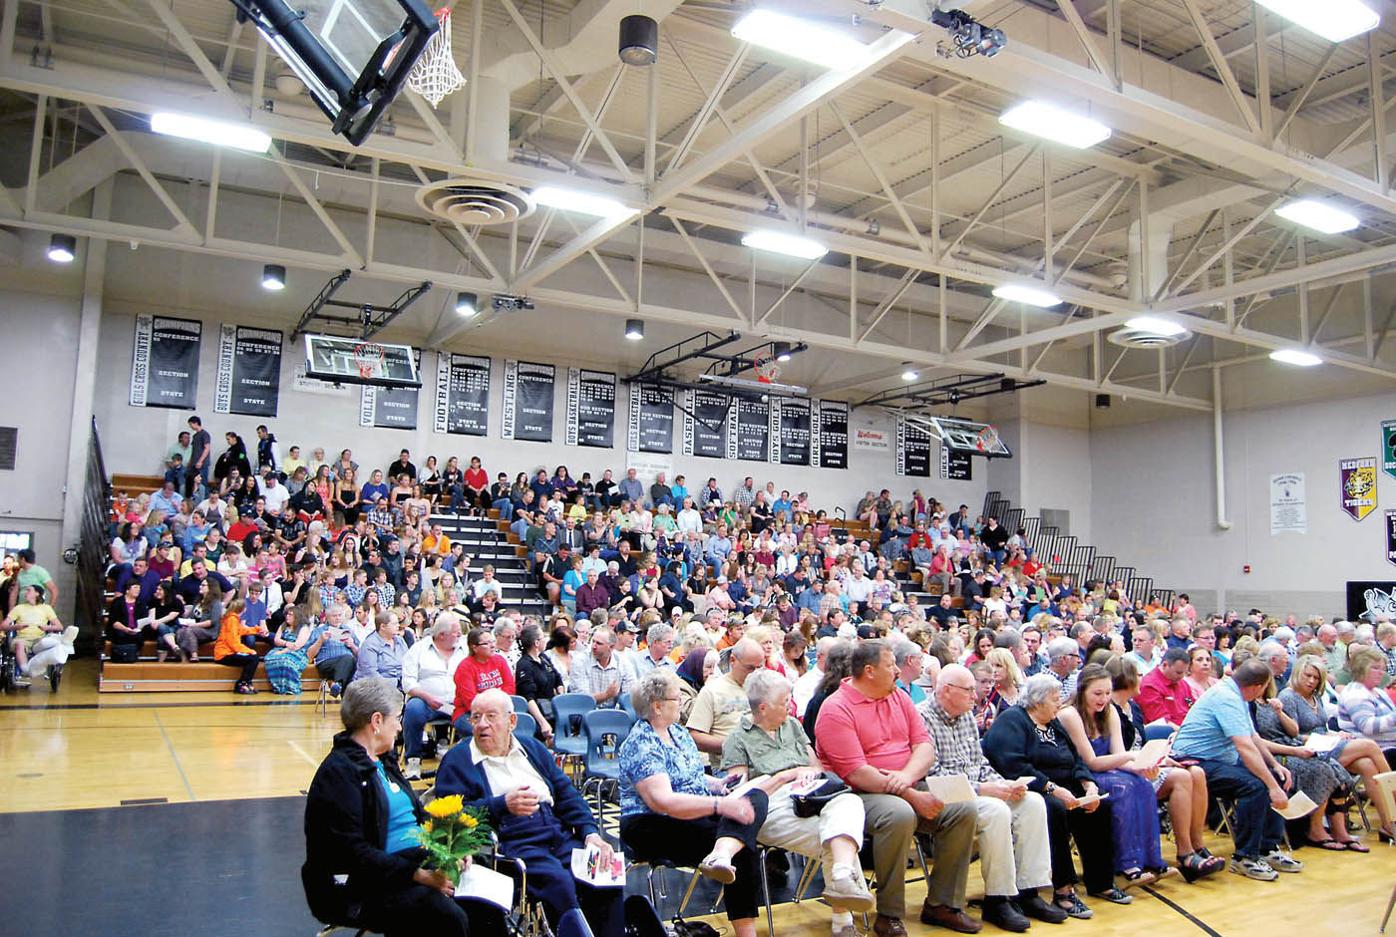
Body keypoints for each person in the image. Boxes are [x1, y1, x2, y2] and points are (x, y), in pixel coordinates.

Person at [814, 640, 980, 936]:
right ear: (870, 671)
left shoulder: (899, 697)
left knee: (963, 807)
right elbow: (857, 773)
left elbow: (924, 747)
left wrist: (904, 780)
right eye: (891, 665)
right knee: (900, 814)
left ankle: (943, 904)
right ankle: (888, 914)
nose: (897, 670)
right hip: (855, 796)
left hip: (905, 781)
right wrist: (910, 792)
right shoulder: (835, 709)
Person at [435, 689, 623, 936]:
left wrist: (590, 834)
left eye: (491, 716)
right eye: (476, 717)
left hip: (556, 831)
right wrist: (501, 804)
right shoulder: (458, 760)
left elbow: (567, 795)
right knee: (560, 884)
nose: (482, 724)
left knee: (605, 874)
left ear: (511, 721)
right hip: (512, 841)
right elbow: (449, 817)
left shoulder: (532, 748)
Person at [302, 678, 478, 937]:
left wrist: (451, 847)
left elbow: (414, 815)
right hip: (355, 883)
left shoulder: (383, 760)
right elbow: (352, 852)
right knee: (443, 915)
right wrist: (419, 876)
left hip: (403, 863)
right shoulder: (339, 773)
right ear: (376, 721)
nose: (399, 726)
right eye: (396, 718)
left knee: (480, 888)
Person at [720, 668, 875, 931]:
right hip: (770, 808)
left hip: (809, 798)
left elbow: (815, 767)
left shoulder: (792, 726)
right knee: (837, 840)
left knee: (849, 805)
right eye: (784, 702)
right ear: (764, 707)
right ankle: (843, 921)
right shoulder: (737, 739)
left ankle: (841, 878)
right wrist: (787, 776)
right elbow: (742, 795)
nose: (791, 707)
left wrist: (808, 776)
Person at [618, 669, 769, 937]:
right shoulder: (641, 742)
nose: (683, 702)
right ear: (657, 705)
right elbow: (663, 802)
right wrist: (719, 806)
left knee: (755, 796)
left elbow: (692, 777)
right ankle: (723, 857)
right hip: (649, 823)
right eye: (677, 698)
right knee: (743, 846)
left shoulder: (677, 732)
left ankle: (722, 853)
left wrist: (718, 785)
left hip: (691, 811)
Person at [918, 664, 1068, 931]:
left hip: (978, 789)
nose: (975, 697)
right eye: (969, 690)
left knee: (1033, 802)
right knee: (997, 811)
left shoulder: (964, 715)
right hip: (948, 797)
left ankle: (1028, 891)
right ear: (946, 691)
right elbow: (933, 776)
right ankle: (998, 900)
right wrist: (984, 789)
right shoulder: (922, 718)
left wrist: (1005, 784)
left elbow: (980, 763)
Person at [981, 674, 1123, 919]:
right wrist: (1052, 788)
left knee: (1100, 805)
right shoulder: (1013, 721)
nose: (1060, 704)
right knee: (1054, 809)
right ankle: (1063, 890)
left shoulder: (1054, 722)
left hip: (1066, 783)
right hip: (1031, 788)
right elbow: (1014, 765)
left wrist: (1088, 784)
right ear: (1037, 701)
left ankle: (1101, 882)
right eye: (1055, 699)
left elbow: (1076, 757)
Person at [1171, 659, 1302, 881]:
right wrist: (1270, 785)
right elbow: (1244, 747)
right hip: (1194, 761)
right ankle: (1245, 857)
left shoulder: (1236, 694)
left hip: (1219, 760)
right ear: (1258, 686)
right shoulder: (1227, 698)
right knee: (1257, 787)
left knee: (1278, 778)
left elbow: (1253, 737)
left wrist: (1275, 766)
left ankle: (1267, 848)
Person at [1106, 657, 1224, 881]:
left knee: (1197, 772)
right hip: (1124, 769)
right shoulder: (1109, 709)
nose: (1144, 678)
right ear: (1128, 678)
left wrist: (1161, 758)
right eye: (1139, 675)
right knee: (1181, 777)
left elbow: (1142, 745)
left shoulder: (1133, 707)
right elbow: (1117, 752)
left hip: (1145, 761)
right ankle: (1185, 852)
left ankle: (1198, 845)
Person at [1056, 664, 1168, 886]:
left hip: (1108, 768)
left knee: (1143, 784)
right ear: (1082, 690)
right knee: (1122, 788)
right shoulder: (1070, 714)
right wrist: (1131, 757)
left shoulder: (1110, 711)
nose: (1103, 698)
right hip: (1081, 775)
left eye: (1107, 693)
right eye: (1097, 693)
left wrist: (1141, 766)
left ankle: (1149, 859)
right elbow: (1092, 762)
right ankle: (1125, 864)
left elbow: (1118, 754)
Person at [1282, 653, 1396, 841]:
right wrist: (1322, 737)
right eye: (1308, 676)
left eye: (1316, 677)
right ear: (1297, 674)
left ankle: (1388, 824)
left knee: (1367, 764)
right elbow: (1292, 734)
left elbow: (1322, 726)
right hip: (1307, 749)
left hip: (1327, 742)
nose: (1312, 681)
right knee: (1370, 746)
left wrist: (1333, 734)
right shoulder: (1288, 697)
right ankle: (1393, 795)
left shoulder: (1315, 697)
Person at [400, 613, 469, 780]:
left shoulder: (465, 649)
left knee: (476, 719)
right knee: (413, 709)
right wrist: (427, 697)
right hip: (426, 702)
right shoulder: (419, 649)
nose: (460, 634)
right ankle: (413, 759)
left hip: (458, 702)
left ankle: (465, 765)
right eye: (456, 631)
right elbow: (408, 682)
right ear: (442, 635)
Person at [688, 638, 765, 768]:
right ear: (733, 660)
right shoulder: (712, 690)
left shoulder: (765, 686)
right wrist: (735, 744)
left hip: (766, 759)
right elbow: (695, 736)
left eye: (759, 667)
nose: (755, 673)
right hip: (729, 764)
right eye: (750, 668)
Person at [2, 583, 73, 689]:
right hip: (22, 639)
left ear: (37, 593)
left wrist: (46, 628)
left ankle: (63, 642)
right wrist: (17, 626)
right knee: (20, 644)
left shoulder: (46, 608)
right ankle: (26, 670)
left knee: (46, 642)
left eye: (29, 590)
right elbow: (3, 625)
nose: (25, 593)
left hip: (39, 639)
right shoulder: (19, 608)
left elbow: (59, 626)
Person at [451, 627, 516, 736]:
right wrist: (495, 702)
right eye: (486, 643)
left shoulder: (499, 660)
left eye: (493, 641)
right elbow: (470, 701)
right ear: (475, 647)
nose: (492, 646)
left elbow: (510, 687)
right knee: (489, 731)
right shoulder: (465, 667)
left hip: (499, 710)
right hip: (469, 713)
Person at [1338, 645, 1396, 760]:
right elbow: (1367, 726)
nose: (1381, 673)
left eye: (1383, 669)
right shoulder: (1355, 693)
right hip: (1378, 752)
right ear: (1360, 669)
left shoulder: (1379, 692)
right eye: (1375, 668)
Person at [514, 622, 563, 742]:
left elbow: (557, 678)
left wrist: (561, 697)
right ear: (536, 643)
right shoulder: (524, 665)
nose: (546, 640)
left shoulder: (544, 658)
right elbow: (528, 697)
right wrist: (543, 723)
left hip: (552, 708)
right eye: (543, 637)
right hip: (537, 714)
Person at [565, 626, 631, 709]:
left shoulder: (622, 663)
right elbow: (582, 700)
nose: (593, 646)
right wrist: (606, 695)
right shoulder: (580, 661)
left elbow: (629, 696)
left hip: (613, 713)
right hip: (584, 712)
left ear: (611, 647)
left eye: (599, 643)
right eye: (593, 642)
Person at [215, 597, 267, 694]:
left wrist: (257, 630)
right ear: (243, 609)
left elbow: (242, 630)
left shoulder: (233, 619)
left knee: (253, 658)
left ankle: (246, 682)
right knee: (253, 658)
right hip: (224, 654)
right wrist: (249, 651)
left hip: (228, 652)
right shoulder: (232, 620)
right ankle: (242, 683)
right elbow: (233, 643)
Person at [1136, 647, 1195, 727]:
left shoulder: (1182, 683)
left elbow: (1194, 709)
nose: (1182, 676)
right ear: (1164, 665)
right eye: (1178, 672)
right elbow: (1161, 722)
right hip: (1169, 734)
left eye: (1185, 672)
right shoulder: (1149, 686)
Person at [356, 612, 409, 685]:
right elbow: (370, 674)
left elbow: (409, 663)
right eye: (394, 624)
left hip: (403, 683)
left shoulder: (400, 640)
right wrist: (395, 683)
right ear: (383, 627)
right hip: (377, 687)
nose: (398, 625)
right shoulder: (369, 644)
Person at [676, 646, 717, 723]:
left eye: (713, 667)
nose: (712, 672)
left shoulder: (700, 683)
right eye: (708, 667)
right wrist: (707, 689)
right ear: (697, 667)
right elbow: (688, 713)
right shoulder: (680, 685)